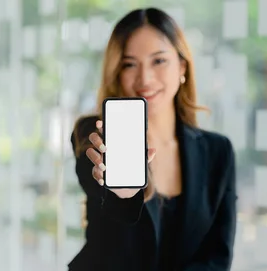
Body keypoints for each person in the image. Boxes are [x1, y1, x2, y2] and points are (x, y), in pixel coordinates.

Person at [67, 7, 237, 271]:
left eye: (158, 61)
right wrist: (125, 194)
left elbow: (217, 256)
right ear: (116, 73)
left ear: (182, 66)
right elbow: (114, 230)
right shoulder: (95, 135)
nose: (144, 78)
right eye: (129, 64)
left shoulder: (218, 151)